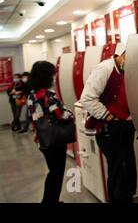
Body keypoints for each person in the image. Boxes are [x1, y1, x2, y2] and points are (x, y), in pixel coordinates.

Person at [80, 48, 136, 203]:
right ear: (124, 56)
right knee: (118, 172)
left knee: (127, 169)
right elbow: (87, 98)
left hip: (124, 126)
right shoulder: (105, 69)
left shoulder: (124, 71)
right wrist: (110, 117)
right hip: (110, 129)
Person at [28, 61, 74, 203]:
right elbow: (62, 115)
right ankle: (50, 200)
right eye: (53, 74)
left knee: (53, 170)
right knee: (57, 173)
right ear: (47, 76)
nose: (54, 77)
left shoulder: (32, 94)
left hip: (42, 138)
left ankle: (50, 199)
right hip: (55, 140)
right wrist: (71, 113)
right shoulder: (49, 94)